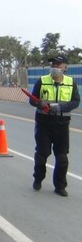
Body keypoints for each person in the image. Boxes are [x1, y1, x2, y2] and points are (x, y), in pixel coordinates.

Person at [29, 54, 80, 197]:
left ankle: (60, 186)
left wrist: (61, 107)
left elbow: (75, 101)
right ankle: (38, 178)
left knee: (62, 156)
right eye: (53, 65)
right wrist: (39, 102)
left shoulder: (71, 82)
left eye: (58, 65)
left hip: (62, 124)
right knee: (42, 154)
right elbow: (32, 100)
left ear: (65, 67)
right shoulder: (42, 81)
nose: (55, 67)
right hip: (44, 122)